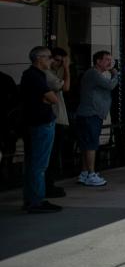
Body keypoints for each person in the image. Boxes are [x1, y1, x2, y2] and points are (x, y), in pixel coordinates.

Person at [20, 47, 62, 213]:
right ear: (39, 58)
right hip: (41, 123)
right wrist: (47, 99)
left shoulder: (31, 75)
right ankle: (36, 200)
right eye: (49, 57)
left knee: (32, 163)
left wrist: (47, 99)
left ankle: (31, 199)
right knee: (39, 164)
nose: (51, 61)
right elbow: (53, 98)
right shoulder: (35, 75)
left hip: (34, 122)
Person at [75, 50, 118, 187]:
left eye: (110, 60)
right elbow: (110, 85)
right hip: (90, 114)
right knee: (91, 145)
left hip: (90, 114)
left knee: (87, 145)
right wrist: (115, 73)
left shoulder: (95, 74)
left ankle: (85, 172)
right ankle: (91, 174)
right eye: (106, 60)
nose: (109, 63)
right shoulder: (93, 73)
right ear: (98, 61)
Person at [44, 47, 70, 197]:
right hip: (53, 119)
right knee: (50, 156)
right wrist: (66, 68)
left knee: (53, 155)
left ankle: (49, 185)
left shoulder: (52, 73)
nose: (59, 64)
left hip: (57, 119)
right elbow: (65, 87)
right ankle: (47, 186)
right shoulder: (47, 75)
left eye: (62, 62)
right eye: (57, 60)